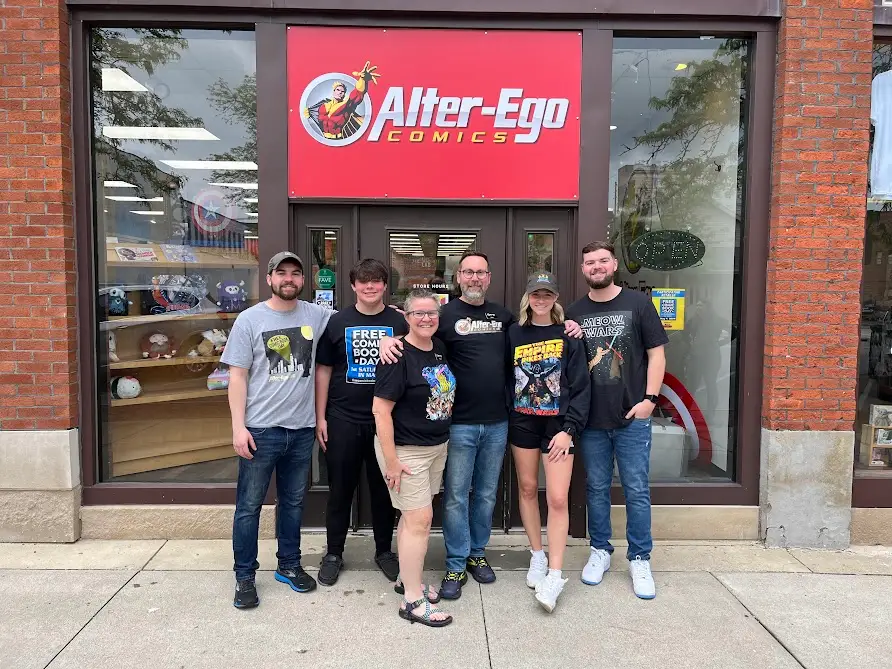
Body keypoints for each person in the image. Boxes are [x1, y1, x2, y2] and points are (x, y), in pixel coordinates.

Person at [381, 251, 582, 600]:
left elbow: (538, 331)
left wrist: (570, 325)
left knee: (487, 493)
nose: (474, 278)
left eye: (481, 273)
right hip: (458, 423)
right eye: (468, 272)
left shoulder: (504, 317)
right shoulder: (444, 316)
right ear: (459, 276)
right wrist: (389, 339)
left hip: (499, 422)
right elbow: (416, 332)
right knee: (456, 496)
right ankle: (456, 563)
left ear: (489, 278)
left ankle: (477, 553)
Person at [222, 251, 333, 609]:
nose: (289, 279)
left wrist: (397, 317)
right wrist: (238, 427)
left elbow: (356, 319)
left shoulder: (317, 314)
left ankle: (289, 565)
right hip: (260, 431)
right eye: (281, 273)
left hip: (301, 430)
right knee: (249, 507)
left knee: (293, 503)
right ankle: (244, 576)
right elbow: (237, 377)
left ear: (303, 280)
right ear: (269, 278)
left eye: (295, 273)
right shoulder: (250, 319)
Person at [566, 241, 668, 600]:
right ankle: (600, 550)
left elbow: (657, 355)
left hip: (632, 416)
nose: (596, 267)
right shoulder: (574, 312)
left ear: (613, 265)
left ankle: (640, 557)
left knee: (636, 489)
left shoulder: (638, 304)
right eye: (590, 262)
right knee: (596, 487)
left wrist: (649, 401)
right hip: (592, 419)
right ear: (583, 269)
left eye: (602, 261)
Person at [314, 259, 406, 585]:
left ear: (385, 285)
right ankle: (333, 553)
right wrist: (320, 417)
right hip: (343, 419)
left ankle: (384, 551)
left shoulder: (399, 322)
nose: (370, 286)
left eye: (376, 281)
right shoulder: (337, 322)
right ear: (353, 285)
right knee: (340, 490)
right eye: (363, 281)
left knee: (384, 490)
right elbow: (324, 370)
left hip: (387, 423)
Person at [372, 288, 457, 627]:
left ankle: (407, 580)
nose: (426, 318)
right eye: (418, 313)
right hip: (406, 451)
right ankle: (412, 601)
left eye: (432, 313)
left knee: (412, 519)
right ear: (406, 317)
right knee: (420, 521)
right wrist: (392, 461)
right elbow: (380, 411)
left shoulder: (438, 349)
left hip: (436, 447)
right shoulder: (396, 356)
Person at [507, 271, 590, 613]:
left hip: (559, 426)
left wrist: (569, 429)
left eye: (547, 294)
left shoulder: (569, 335)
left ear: (555, 298)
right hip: (523, 422)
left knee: (557, 498)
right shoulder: (514, 332)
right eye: (536, 294)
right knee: (527, 489)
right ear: (528, 297)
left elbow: (581, 386)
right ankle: (537, 555)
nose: (541, 300)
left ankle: (555, 574)